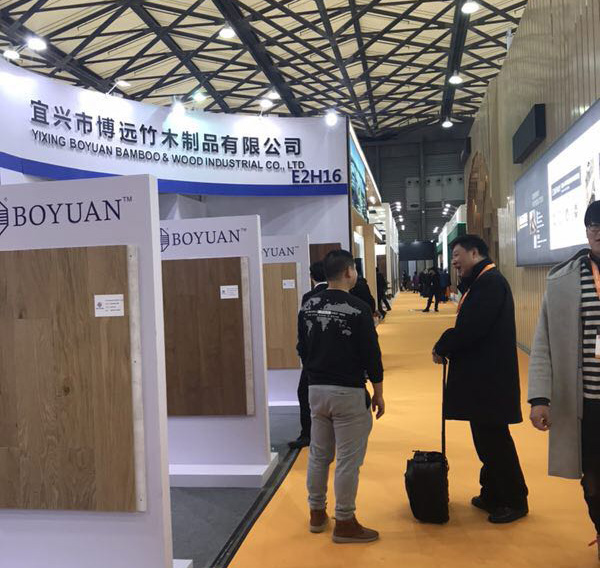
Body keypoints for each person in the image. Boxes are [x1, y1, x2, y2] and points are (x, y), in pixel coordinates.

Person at [432, 235, 528, 523]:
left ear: (475, 253)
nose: (454, 261)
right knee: (486, 439)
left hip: (490, 379)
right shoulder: (482, 282)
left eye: (457, 255)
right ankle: (493, 493)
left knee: (495, 441)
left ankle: (514, 500)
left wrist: (443, 345)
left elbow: (473, 328)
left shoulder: (490, 283)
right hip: (484, 377)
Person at [298, 249, 385, 543]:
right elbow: (371, 354)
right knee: (348, 459)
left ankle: (316, 513)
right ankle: (345, 521)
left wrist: (315, 372)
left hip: (315, 390)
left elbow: (302, 347)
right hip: (348, 391)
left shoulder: (308, 304)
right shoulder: (359, 308)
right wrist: (378, 392)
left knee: (319, 455)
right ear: (349, 272)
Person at [529, 200, 600, 558]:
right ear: (587, 232)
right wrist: (540, 398)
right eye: (595, 227)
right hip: (584, 403)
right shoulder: (563, 281)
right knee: (592, 479)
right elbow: (543, 343)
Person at [289, 261, 328, 450]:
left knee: (304, 394)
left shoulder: (309, 297)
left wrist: (303, 354)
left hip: (313, 357)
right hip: (338, 357)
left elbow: (303, 330)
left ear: (311, 276)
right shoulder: (344, 296)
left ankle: (307, 434)